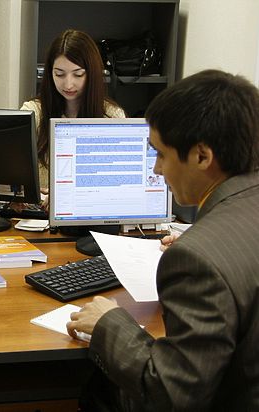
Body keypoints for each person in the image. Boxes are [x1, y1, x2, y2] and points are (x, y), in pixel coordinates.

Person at [68, 69, 259, 411]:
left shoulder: (198, 258)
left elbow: (172, 394)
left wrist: (108, 323)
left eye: (160, 154)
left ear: (202, 156)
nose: (156, 170)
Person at [21, 29, 125, 191]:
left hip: (89, 212)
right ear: (50, 74)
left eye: (78, 75)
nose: (68, 84)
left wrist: (61, 196)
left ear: (92, 74)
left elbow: (115, 184)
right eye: (59, 74)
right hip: (38, 214)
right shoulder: (33, 112)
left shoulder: (112, 116)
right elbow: (15, 173)